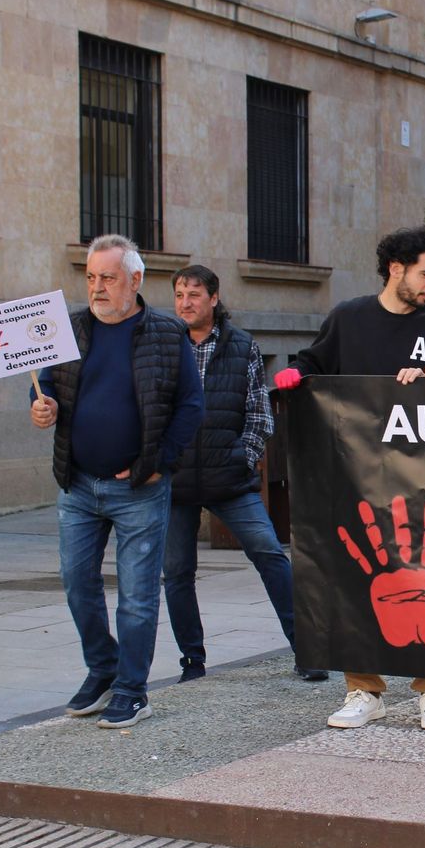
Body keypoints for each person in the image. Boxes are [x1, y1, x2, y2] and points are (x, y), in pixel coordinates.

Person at [274, 224, 425, 731]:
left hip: (424, 485)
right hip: (357, 480)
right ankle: (364, 690)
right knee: (354, 582)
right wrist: (294, 377)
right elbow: (313, 366)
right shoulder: (348, 319)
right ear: (396, 269)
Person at [30, 234, 205, 729]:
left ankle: (132, 687)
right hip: (78, 483)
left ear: (135, 280)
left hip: (140, 489)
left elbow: (191, 407)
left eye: (107, 277)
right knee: (76, 583)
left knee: (137, 594)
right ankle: (103, 668)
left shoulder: (167, 334)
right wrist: (42, 407)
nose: (97, 287)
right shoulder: (67, 329)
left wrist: (158, 462)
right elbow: (47, 387)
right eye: (90, 277)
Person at [165, 264, 327, 684]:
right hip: (175, 481)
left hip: (229, 477)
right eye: (180, 294)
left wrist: (243, 455)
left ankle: (306, 649)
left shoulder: (241, 346)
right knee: (176, 572)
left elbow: (258, 412)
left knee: (271, 555)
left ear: (214, 298)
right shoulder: (164, 343)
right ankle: (192, 661)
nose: (185, 302)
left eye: (194, 294)